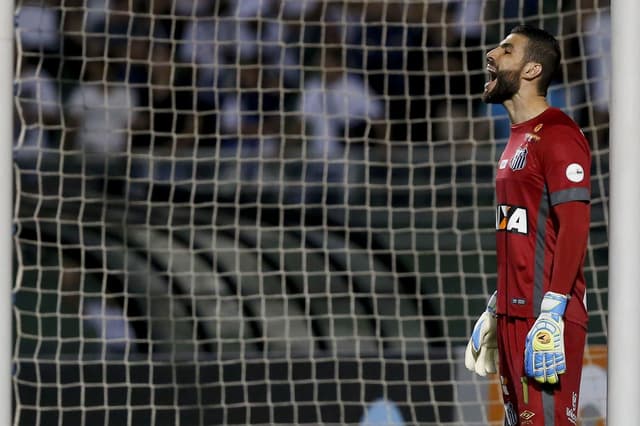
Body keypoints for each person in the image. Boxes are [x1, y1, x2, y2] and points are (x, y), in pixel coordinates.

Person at [464, 25, 591, 426]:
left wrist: (553, 310)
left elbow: (575, 225)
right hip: (515, 313)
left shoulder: (558, 134)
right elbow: (523, 232)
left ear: (533, 69)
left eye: (506, 50)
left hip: (545, 320)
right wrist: (499, 303)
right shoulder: (516, 139)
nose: (492, 54)